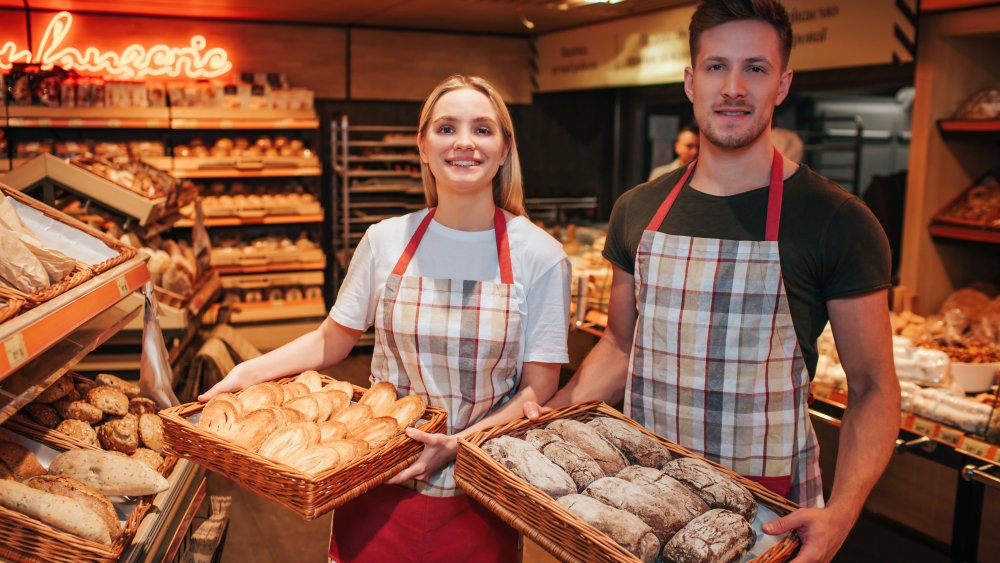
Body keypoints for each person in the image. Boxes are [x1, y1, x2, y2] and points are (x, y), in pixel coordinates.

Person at [524, 1, 900, 561]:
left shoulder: (837, 220)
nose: (733, 87)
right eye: (716, 66)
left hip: (767, 511)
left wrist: (842, 513)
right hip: (646, 499)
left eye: (756, 68)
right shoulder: (638, 209)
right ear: (690, 81)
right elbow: (620, 346)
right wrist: (545, 421)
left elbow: (873, 386)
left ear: (783, 84)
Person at [201, 75, 571, 561]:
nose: (464, 142)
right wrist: (245, 373)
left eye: (482, 130)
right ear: (423, 146)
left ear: (504, 150)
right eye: (446, 128)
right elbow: (332, 340)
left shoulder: (540, 256)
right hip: (374, 476)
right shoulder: (386, 241)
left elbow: (538, 388)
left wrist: (458, 444)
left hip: (480, 490)